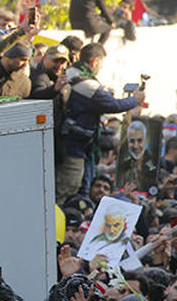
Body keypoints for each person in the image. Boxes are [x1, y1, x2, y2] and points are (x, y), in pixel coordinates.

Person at [57, 42, 145, 200]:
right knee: (68, 188)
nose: (100, 69)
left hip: (79, 145)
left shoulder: (70, 73)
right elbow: (113, 105)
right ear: (94, 62)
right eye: (100, 65)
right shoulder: (86, 83)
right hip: (75, 147)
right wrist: (134, 100)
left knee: (82, 187)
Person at [116, 120, 158, 192]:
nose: (135, 146)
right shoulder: (123, 164)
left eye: (139, 140)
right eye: (132, 141)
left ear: (145, 141)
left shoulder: (154, 164)